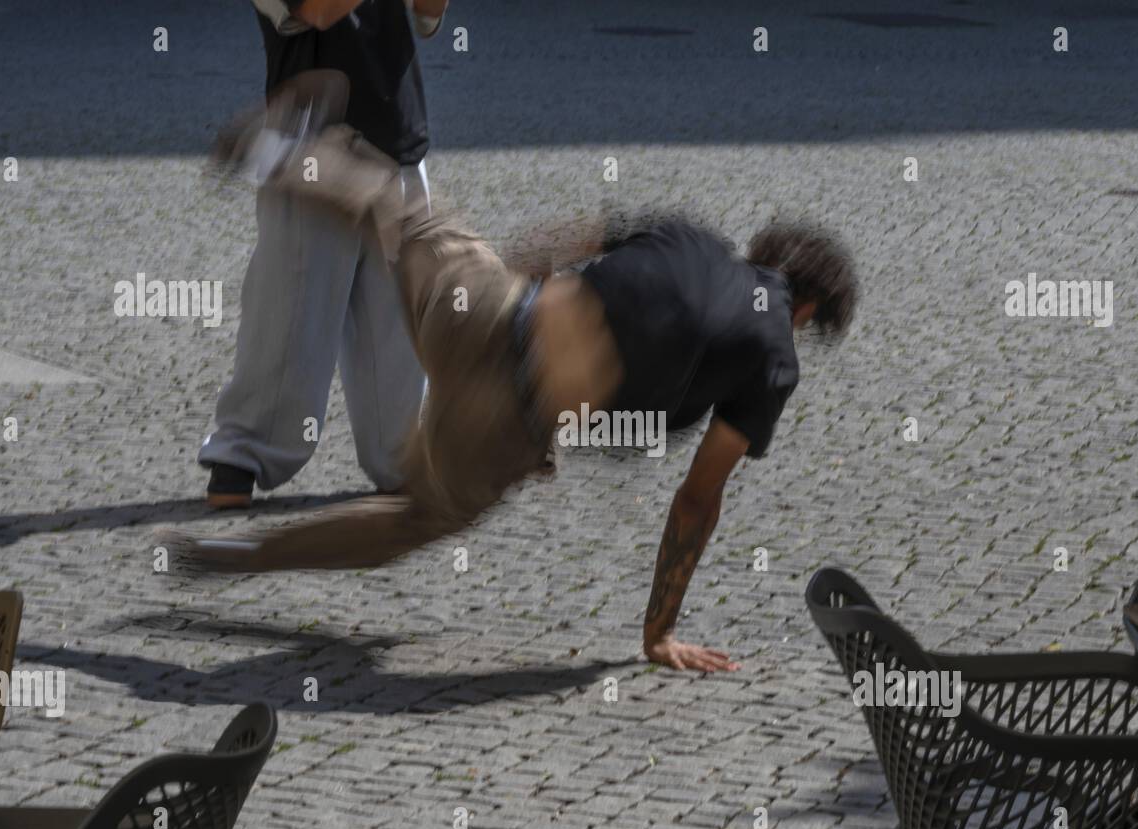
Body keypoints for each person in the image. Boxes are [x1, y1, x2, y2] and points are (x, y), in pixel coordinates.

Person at [166, 81, 858, 673]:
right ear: (808, 309)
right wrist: (659, 632)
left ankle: (275, 152)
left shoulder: (692, 239)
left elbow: (564, 241)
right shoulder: (772, 358)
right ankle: (237, 555)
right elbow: (697, 501)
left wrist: (496, 286)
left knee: (399, 210)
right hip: (500, 422)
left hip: (487, 308)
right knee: (416, 517)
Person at [199, 0, 448, 509]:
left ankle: (400, 459)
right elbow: (315, 11)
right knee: (289, 317)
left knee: (400, 328)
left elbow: (427, 17)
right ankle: (240, 457)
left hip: (397, 136)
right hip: (307, 157)